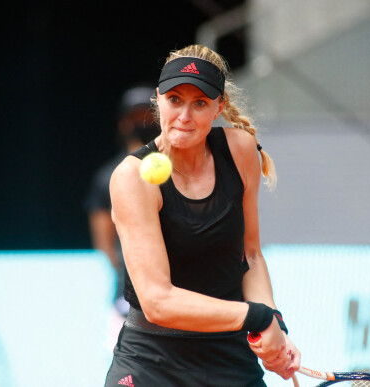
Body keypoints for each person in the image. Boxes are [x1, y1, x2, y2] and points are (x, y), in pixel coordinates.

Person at [104, 44, 300, 386]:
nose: (184, 116)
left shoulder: (240, 150)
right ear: (158, 99)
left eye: (200, 103)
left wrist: (276, 326)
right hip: (152, 363)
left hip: (231, 358)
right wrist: (257, 316)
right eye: (175, 99)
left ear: (219, 106)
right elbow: (158, 302)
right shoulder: (131, 177)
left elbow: (250, 254)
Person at [84, 85, 160, 319]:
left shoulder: (181, 170)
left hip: (178, 288)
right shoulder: (107, 177)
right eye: (135, 117)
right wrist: (130, 277)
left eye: (148, 115)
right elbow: (104, 244)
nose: (142, 122)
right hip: (128, 295)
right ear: (123, 123)